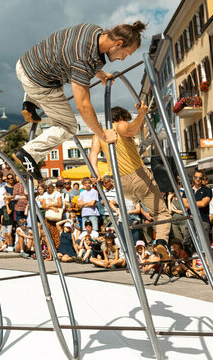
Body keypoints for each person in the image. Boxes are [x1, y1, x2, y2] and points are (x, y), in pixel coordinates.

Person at [13, 22, 147, 180]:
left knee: (59, 75)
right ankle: (28, 153)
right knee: (67, 126)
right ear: (118, 44)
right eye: (125, 54)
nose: (123, 59)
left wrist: (101, 74)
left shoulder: (93, 30)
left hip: (26, 64)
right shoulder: (82, 61)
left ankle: (30, 101)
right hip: (39, 83)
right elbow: (83, 105)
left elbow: (78, 57)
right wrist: (102, 134)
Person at [88, 104, 171, 252]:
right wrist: (142, 114)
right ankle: (161, 243)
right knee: (161, 213)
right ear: (120, 117)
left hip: (120, 183)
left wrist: (96, 173)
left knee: (135, 204)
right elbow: (132, 129)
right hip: (138, 176)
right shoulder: (120, 125)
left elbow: (93, 154)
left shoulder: (99, 134)